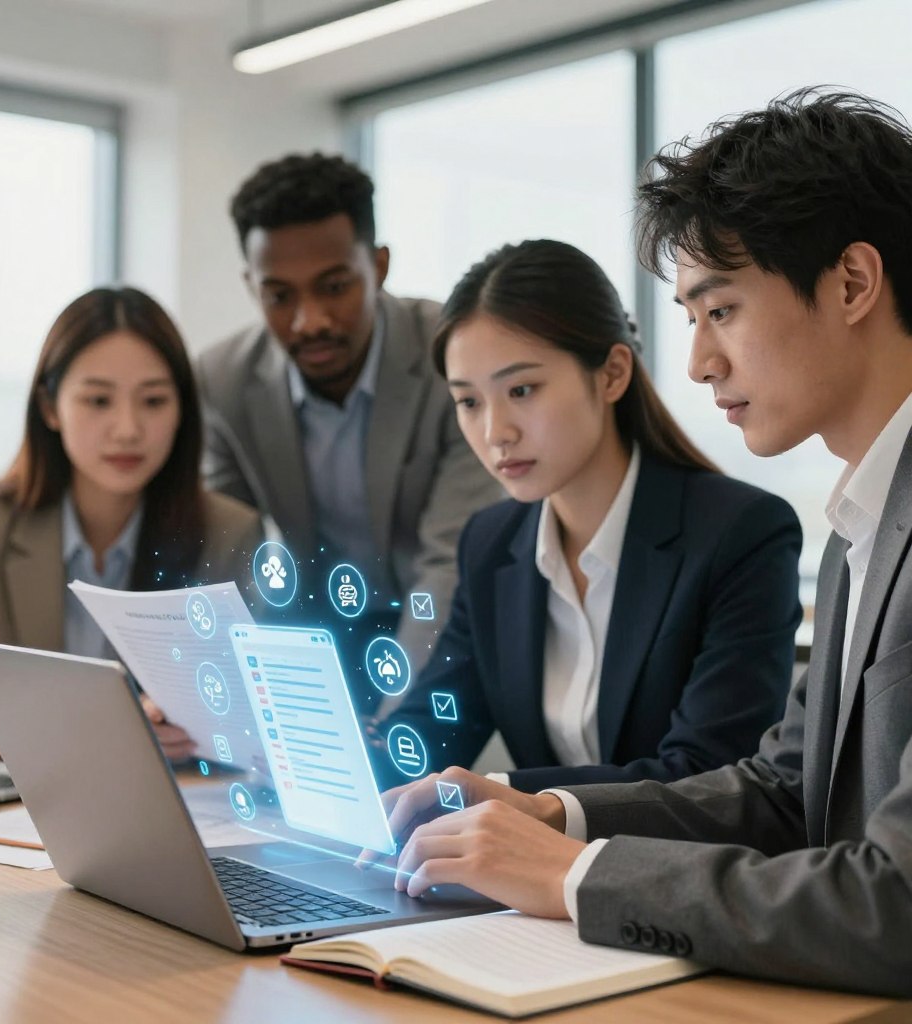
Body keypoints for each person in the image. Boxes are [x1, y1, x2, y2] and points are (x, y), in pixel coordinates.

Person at [365, 90, 912, 997]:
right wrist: (548, 811)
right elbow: (783, 793)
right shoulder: (865, 522)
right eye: (691, 320)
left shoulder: (776, 524)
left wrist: (568, 875)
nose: (698, 362)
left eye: (721, 310)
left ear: (853, 283)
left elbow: (895, 906)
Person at [375, 239, 801, 791]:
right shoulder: (491, 542)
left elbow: (707, 773)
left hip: (670, 874)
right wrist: (333, 762)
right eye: (469, 401)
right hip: (530, 875)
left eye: (521, 389)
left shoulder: (741, 535)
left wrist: (502, 795)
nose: (494, 432)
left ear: (611, 374)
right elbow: (430, 729)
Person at [0, 286, 262, 759]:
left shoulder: (229, 534)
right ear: (49, 407)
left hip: (173, 808)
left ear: (182, 410)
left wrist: (198, 733)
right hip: (8, 813)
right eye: (99, 401)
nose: (128, 429)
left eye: (154, 401)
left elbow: (259, 721)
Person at [196, 153, 501, 681]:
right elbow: (228, 561)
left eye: (335, 287)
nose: (309, 321)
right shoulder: (223, 380)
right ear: (252, 286)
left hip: (442, 614)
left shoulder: (449, 358)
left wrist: (392, 712)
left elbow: (448, 562)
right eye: (279, 296)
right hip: (312, 628)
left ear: (379, 266)